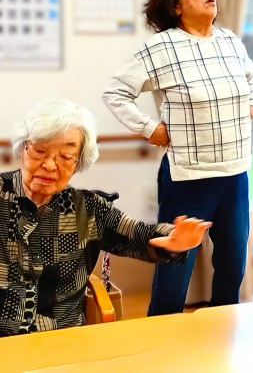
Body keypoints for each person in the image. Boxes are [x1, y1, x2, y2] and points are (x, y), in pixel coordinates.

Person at [102, 0, 253, 315]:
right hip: (188, 177)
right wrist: (150, 128)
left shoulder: (230, 41)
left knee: (232, 267)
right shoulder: (161, 47)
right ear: (175, 5)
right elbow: (115, 92)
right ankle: (161, 338)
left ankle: (223, 334)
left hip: (235, 173)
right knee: (175, 271)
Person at [0, 99, 211, 337]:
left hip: (63, 337)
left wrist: (173, 239)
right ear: (22, 149)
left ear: (78, 163)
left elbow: (138, 234)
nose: (49, 165)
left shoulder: (88, 209)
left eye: (66, 156)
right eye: (40, 151)